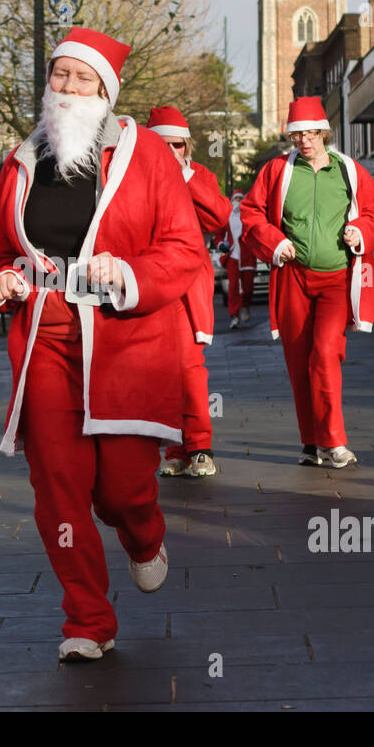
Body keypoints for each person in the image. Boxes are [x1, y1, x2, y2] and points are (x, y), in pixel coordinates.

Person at [0, 27, 204, 661]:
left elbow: (185, 249)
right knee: (57, 482)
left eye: (84, 78)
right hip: (46, 331)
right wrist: (4, 279)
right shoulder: (22, 161)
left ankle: (143, 534)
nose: (69, 88)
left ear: (107, 90)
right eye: (60, 76)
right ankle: (87, 619)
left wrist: (130, 272)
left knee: (122, 489)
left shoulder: (146, 156)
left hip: (126, 336)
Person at [239, 96, 374, 469]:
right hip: (293, 279)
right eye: (297, 134)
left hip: (337, 279)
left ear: (323, 132)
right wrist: (277, 242)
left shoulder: (349, 171)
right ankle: (311, 442)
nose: (304, 140)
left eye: (310, 133)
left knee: (324, 354)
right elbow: (251, 214)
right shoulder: (276, 171)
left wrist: (359, 231)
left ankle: (334, 441)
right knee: (298, 360)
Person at [148, 106, 231, 478]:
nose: (170, 151)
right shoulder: (132, 176)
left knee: (187, 366)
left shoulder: (198, 175)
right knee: (158, 371)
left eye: (177, 145)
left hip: (184, 285)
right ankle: (176, 450)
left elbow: (218, 216)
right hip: (146, 282)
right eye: (162, 144)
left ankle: (199, 446)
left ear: (187, 147)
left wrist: (185, 178)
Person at [216, 192, 256, 328]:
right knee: (233, 288)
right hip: (233, 255)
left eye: (240, 199)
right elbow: (219, 234)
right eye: (236, 199)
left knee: (248, 287)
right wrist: (221, 244)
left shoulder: (248, 215)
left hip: (247, 255)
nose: (238, 201)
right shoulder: (227, 217)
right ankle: (234, 316)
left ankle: (246, 305)